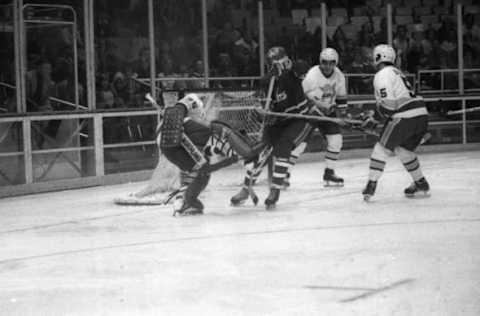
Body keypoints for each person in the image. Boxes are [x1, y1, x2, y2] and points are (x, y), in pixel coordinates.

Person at [230, 46, 312, 210]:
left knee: (283, 148)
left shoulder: (293, 73)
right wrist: (263, 112)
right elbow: (262, 104)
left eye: (281, 60)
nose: (279, 65)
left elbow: (302, 69)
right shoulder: (266, 81)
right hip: (277, 122)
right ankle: (246, 189)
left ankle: (275, 190)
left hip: (298, 120)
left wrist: (292, 68)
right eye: (275, 62)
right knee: (259, 154)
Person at [159, 93, 259, 216]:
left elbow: (205, 168)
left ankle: (183, 202)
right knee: (218, 133)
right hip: (178, 146)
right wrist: (230, 160)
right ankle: (247, 152)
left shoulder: (187, 132)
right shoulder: (194, 135)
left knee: (201, 164)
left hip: (175, 147)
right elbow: (206, 168)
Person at [362, 44, 430, 201]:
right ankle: (420, 182)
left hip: (405, 116)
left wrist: (374, 118)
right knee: (403, 151)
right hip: (421, 115)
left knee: (381, 149)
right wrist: (375, 117)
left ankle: (371, 186)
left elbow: (390, 106)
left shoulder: (382, 75)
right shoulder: (397, 72)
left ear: (378, 57)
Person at [301, 47, 347, 186]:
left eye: (331, 63)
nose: (328, 66)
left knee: (336, 141)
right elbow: (302, 95)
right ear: (320, 62)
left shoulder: (339, 75)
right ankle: (285, 174)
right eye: (325, 62)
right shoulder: (312, 75)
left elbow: (341, 97)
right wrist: (316, 106)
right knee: (299, 144)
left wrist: (343, 114)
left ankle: (329, 173)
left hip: (328, 113)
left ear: (336, 63)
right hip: (311, 112)